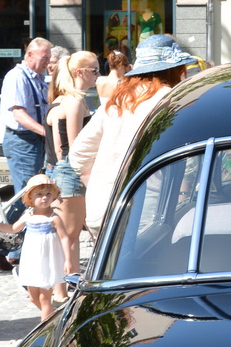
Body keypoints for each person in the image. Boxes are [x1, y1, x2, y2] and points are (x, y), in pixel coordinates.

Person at [71, 34, 195, 236]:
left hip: (102, 207)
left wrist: (101, 181)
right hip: (147, 212)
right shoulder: (170, 100)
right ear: (176, 70)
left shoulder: (118, 100)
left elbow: (78, 153)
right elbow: (188, 159)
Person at [48, 51, 100, 275]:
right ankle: (66, 283)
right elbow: (75, 146)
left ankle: (68, 281)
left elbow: (60, 147)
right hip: (73, 171)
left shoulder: (62, 100)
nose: (98, 75)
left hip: (65, 170)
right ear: (80, 72)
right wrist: (87, 177)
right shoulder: (75, 101)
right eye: (95, 70)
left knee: (70, 235)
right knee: (69, 235)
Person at [0, 173, 72, 322]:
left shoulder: (54, 217)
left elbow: (64, 238)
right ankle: (54, 318)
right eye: (39, 194)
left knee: (44, 298)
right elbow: (12, 228)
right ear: (29, 198)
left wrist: (68, 260)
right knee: (33, 297)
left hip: (48, 261)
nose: (44, 198)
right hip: (32, 260)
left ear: (54, 195)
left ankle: (46, 325)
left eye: (48, 194)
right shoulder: (28, 215)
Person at [0, 37, 53, 193]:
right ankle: (10, 219)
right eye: (44, 58)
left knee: (34, 193)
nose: (48, 62)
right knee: (27, 194)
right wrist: (46, 133)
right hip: (22, 142)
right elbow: (19, 115)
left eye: (49, 58)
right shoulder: (18, 77)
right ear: (30, 55)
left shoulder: (38, 78)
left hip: (33, 141)